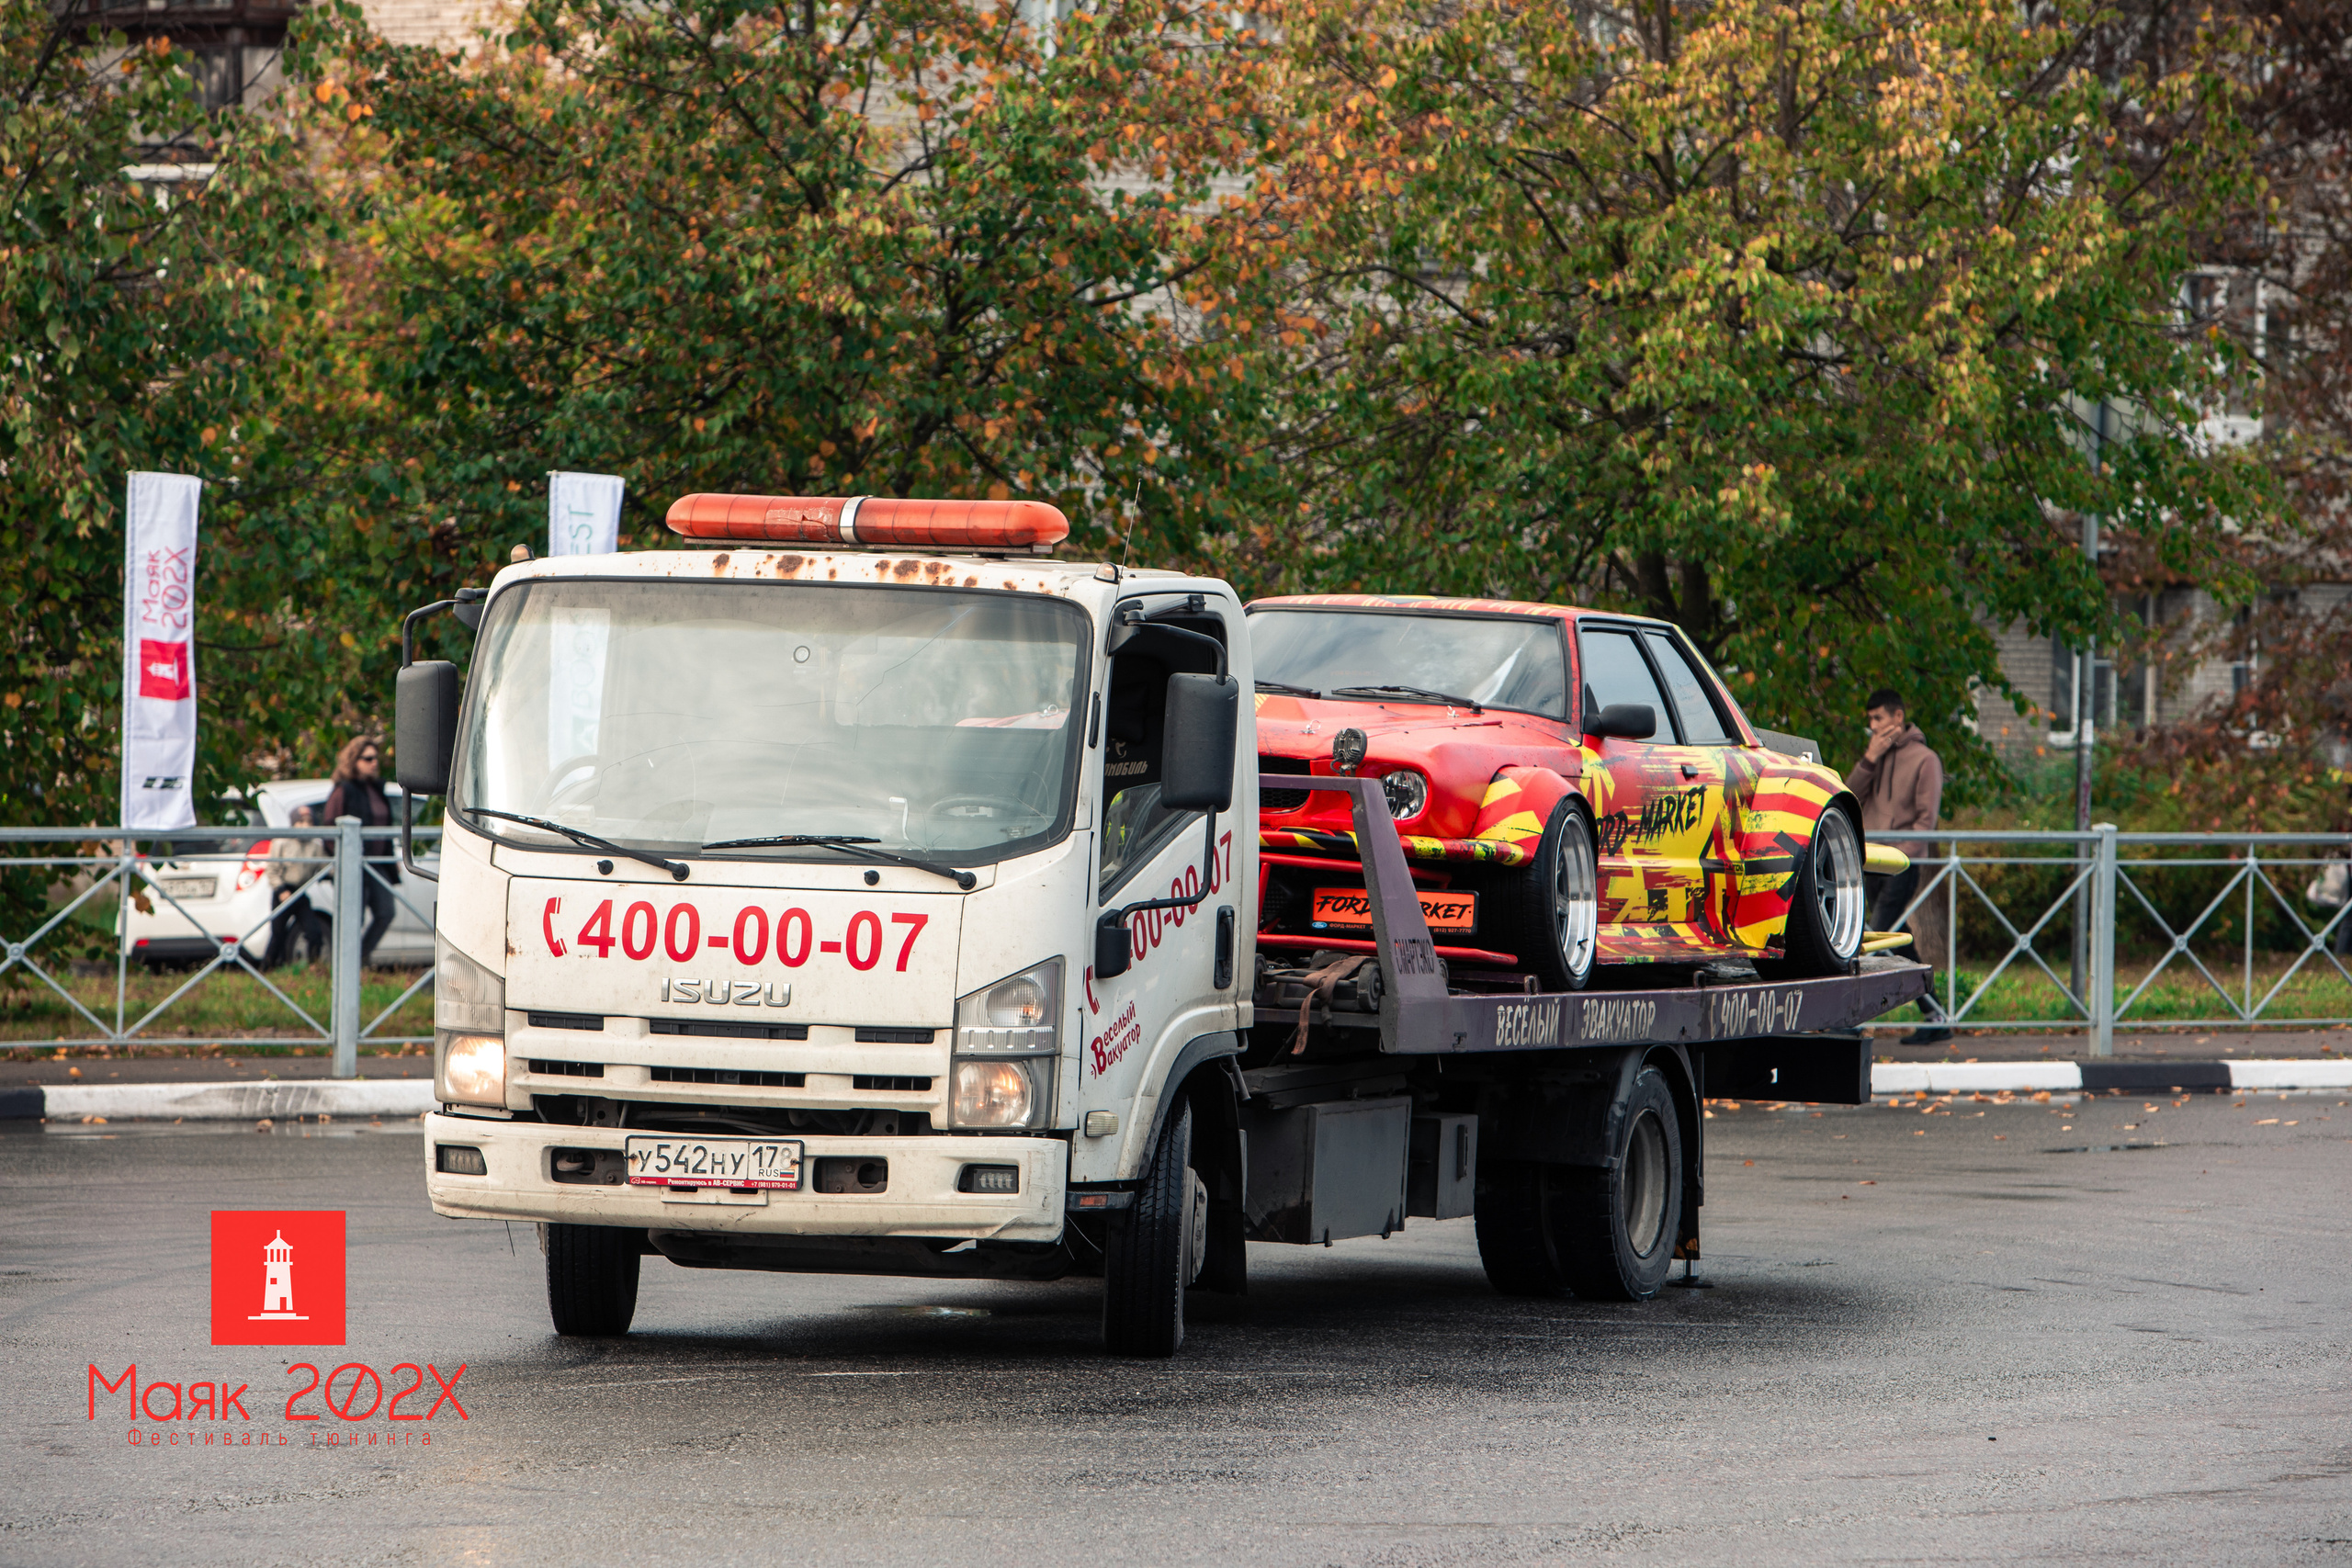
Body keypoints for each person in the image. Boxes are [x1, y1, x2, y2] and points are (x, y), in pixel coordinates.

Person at [1846, 688, 1952, 1045]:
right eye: (1870, 720)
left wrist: (1902, 855)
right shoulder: (1876, 757)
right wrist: (1870, 758)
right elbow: (1848, 796)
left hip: (1901, 863)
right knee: (1894, 937)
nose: (1873, 726)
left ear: (1897, 718)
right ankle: (1935, 1014)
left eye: (1878, 719)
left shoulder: (1925, 760)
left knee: (1874, 935)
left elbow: (1926, 821)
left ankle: (1849, 1017)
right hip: (1869, 859)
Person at [321, 736, 401, 969]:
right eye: (368, 758)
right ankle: (344, 968)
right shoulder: (343, 790)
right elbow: (329, 828)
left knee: (386, 911)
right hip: (353, 865)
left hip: (377, 864)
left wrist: (390, 857)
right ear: (354, 760)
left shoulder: (377, 789)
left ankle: (359, 959)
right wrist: (343, 859)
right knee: (353, 919)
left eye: (376, 758)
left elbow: (384, 827)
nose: (374, 763)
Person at [264, 805, 326, 968]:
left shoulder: (316, 846)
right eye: (300, 822)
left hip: (301, 893)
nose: (305, 826)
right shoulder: (281, 842)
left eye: (309, 821)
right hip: (283, 892)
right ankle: (267, 969)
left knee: (314, 932)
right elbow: (272, 870)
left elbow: (325, 867)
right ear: (293, 824)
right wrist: (280, 890)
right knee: (277, 934)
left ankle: (314, 967)